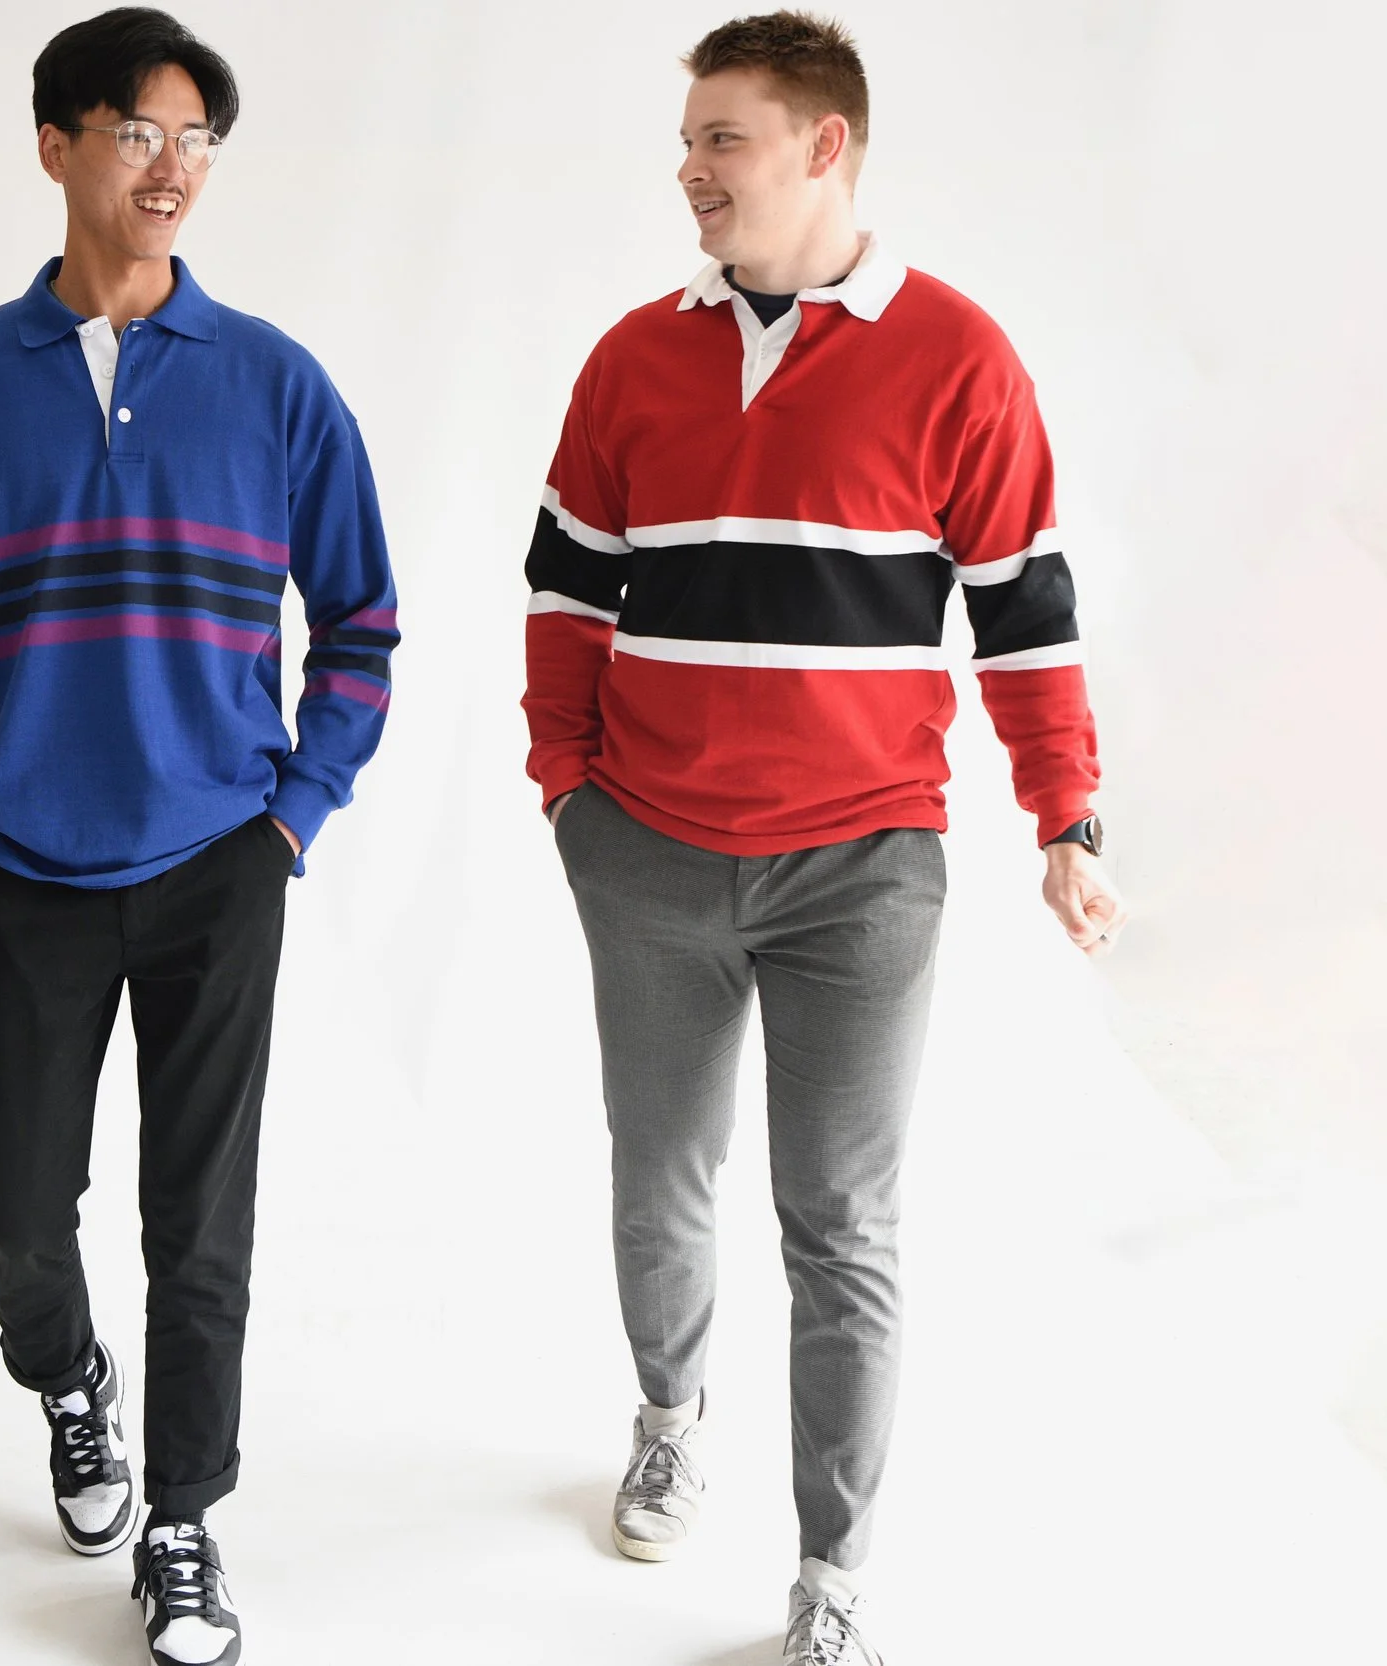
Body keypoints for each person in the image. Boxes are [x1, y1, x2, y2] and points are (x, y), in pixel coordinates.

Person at [521, 12, 1121, 1663]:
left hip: (863, 870)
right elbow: (566, 587)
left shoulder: (961, 359)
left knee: (840, 1221)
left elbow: (1025, 613)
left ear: (823, 144)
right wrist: (567, 788)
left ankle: (832, 1575)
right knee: (661, 1174)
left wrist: (1065, 816)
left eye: (722, 137)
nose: (690, 169)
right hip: (647, 852)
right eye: (688, 140)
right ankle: (669, 1415)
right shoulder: (634, 358)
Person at [0, 11, 397, 1662]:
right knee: (17, 1198)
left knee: (199, 1220)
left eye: (196, 139)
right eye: (140, 132)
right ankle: (70, 1382)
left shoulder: (276, 383)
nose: (173, 168)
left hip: (224, 859)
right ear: (57, 146)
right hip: (22, 866)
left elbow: (362, 624)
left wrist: (294, 815)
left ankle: (184, 1520)